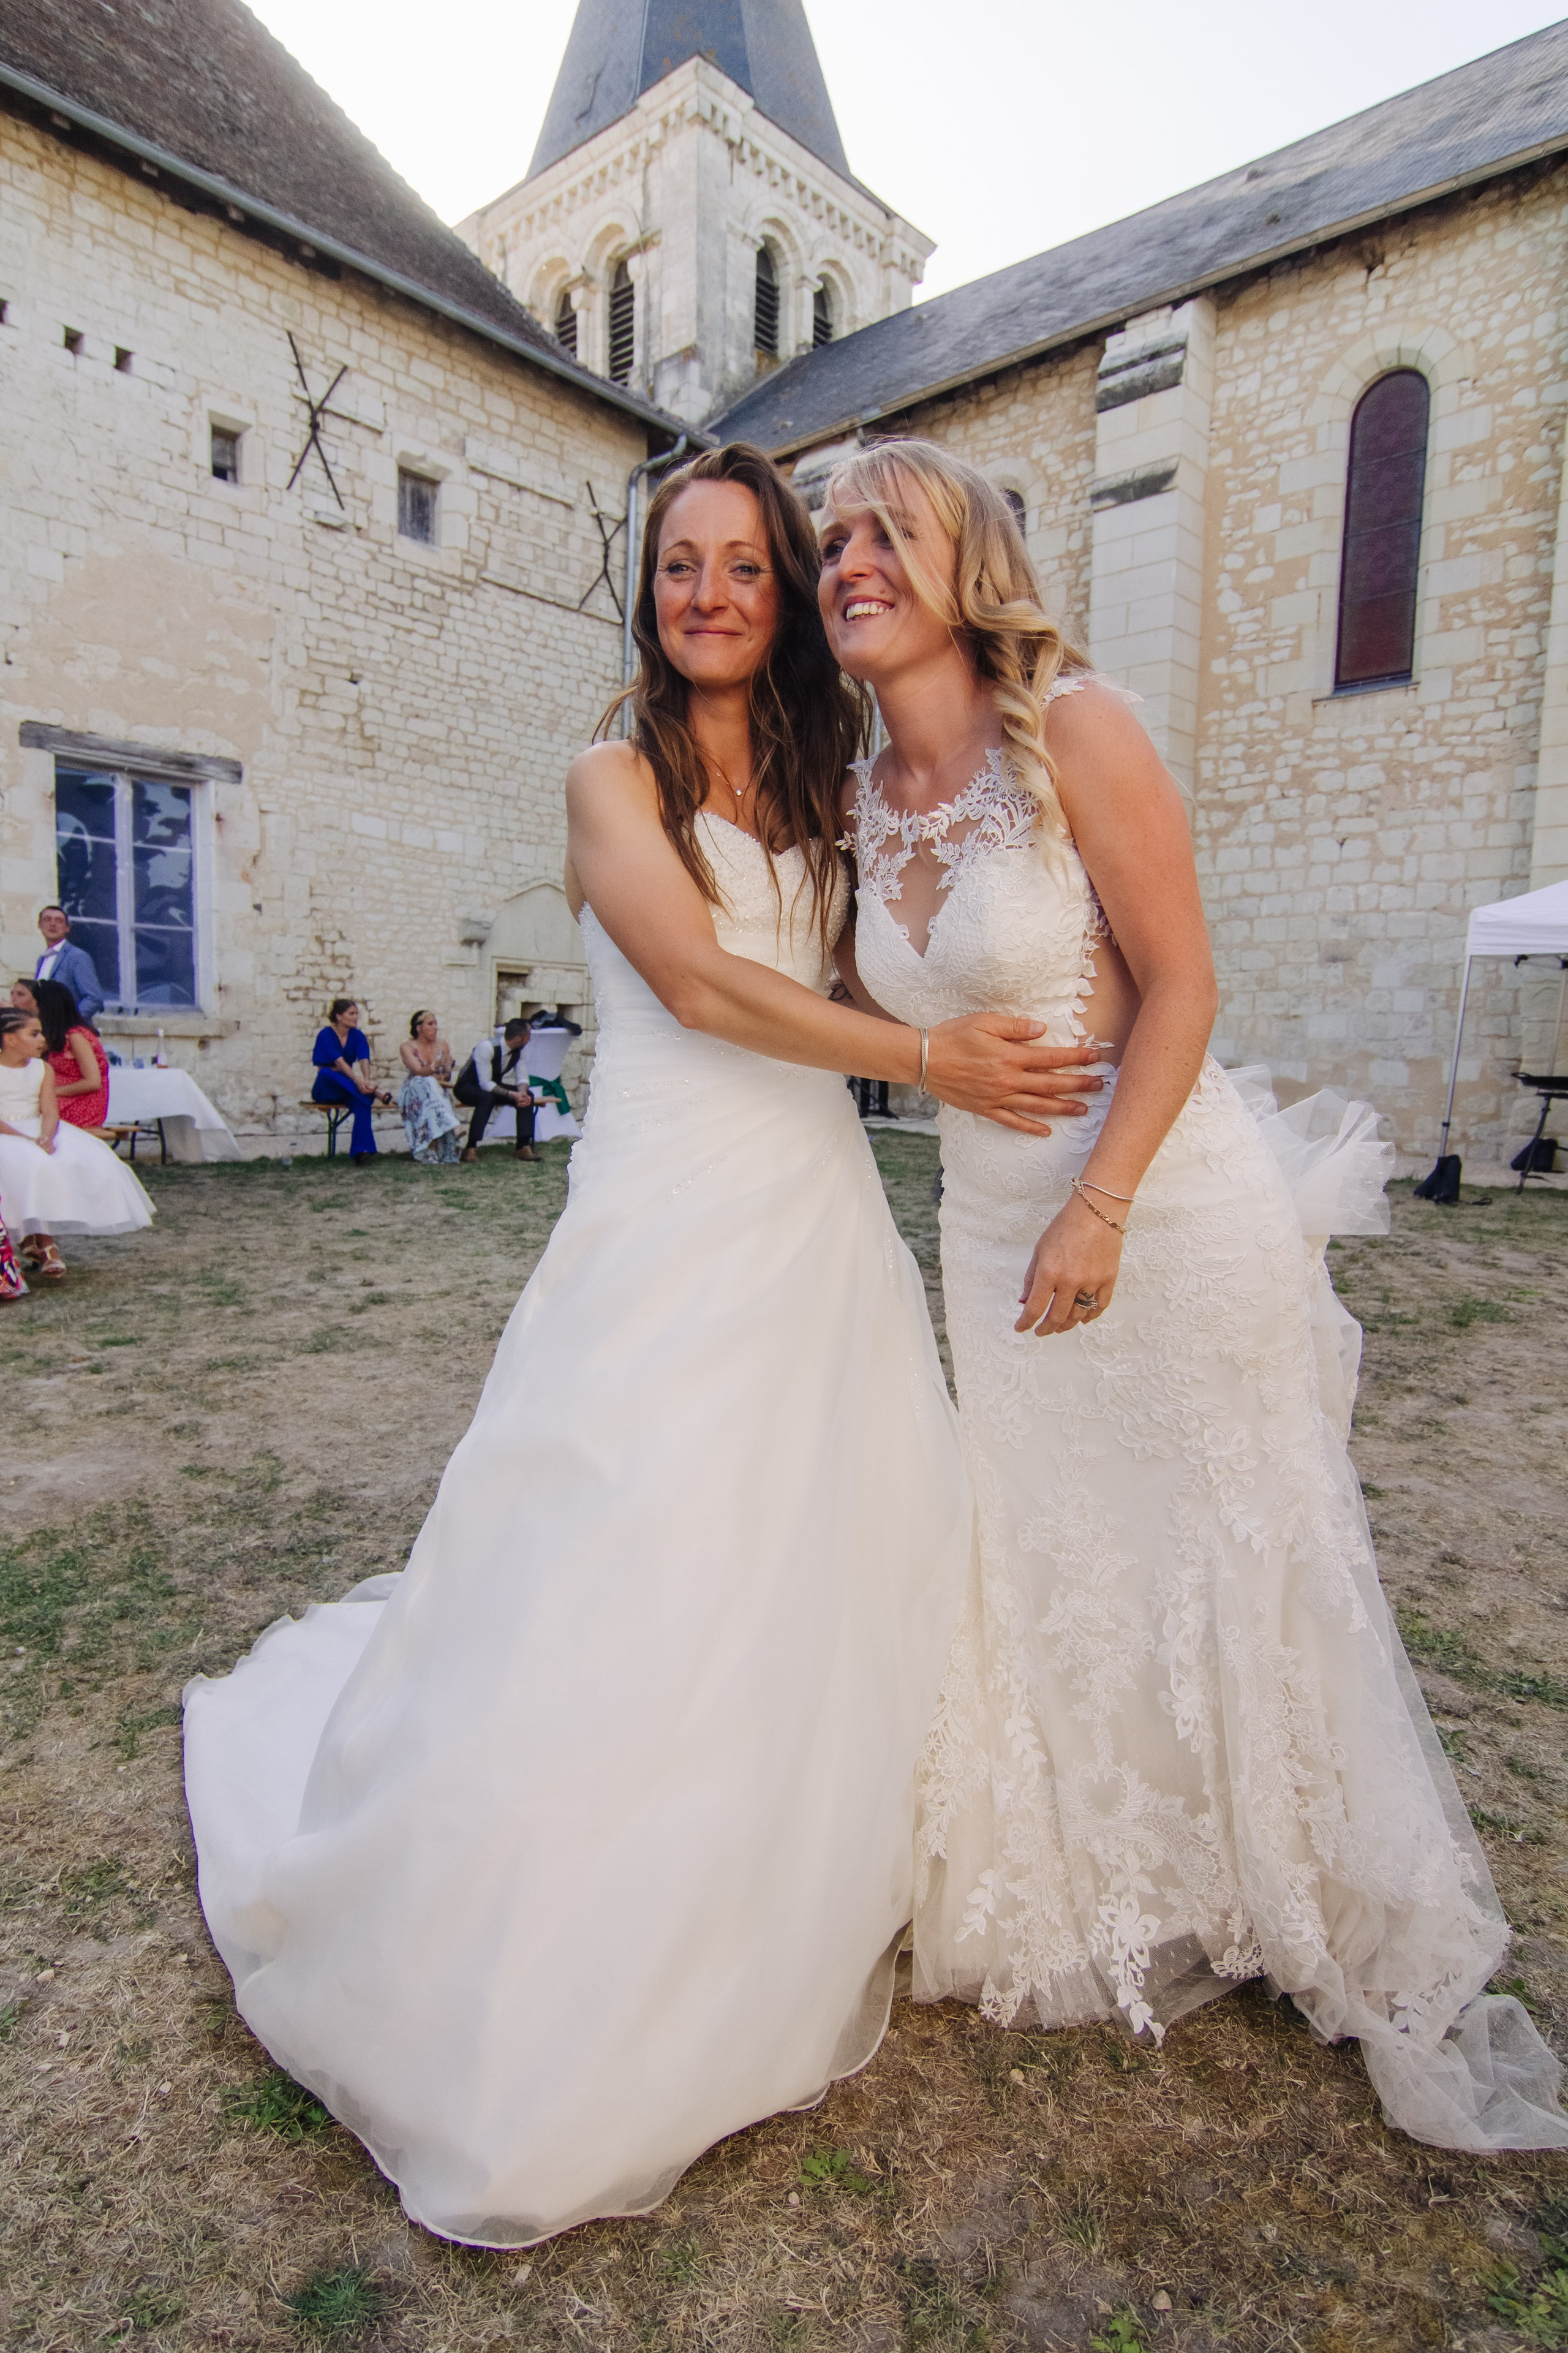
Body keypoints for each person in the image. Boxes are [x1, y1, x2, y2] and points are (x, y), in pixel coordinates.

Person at [183, 441, 1102, 2249]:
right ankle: (562, 1919)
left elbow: (878, 960)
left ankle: (780, 1862)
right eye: (679, 562)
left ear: (783, 593)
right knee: (631, 1542)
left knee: (816, 1544)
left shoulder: (829, 782)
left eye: (743, 564)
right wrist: (929, 1063)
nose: (709, 592)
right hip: (666, 1213)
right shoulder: (608, 777)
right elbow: (695, 981)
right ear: (647, 589)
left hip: (815, 1218)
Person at [821, 436, 1568, 2155]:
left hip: (1153, 1198)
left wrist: (1100, 1204)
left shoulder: (1071, 725)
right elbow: (861, 1010)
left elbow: (1183, 983)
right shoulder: (858, 798)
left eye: (885, 532)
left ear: (968, 560)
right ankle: (1125, 1862)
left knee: (1226, 1542)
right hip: (984, 1224)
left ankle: (1292, 1876)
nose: (848, 558)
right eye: (834, 538)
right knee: (1055, 1551)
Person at [0, 1007, 153, 1278]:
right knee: (30, 1162)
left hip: (37, 1126)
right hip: (7, 1132)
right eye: (34, 1034)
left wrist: (46, 1136)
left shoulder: (43, 1069)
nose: (43, 1039)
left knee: (63, 1160)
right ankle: (38, 1242)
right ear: (10, 1039)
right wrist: (26, 1139)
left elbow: (50, 1110)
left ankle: (42, 1240)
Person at [12, 978, 111, 1131]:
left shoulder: (76, 1036)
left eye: (36, 1006)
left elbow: (93, 1082)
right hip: (60, 1097)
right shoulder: (58, 1036)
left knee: (24, 1110)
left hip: (81, 1103)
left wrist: (52, 1092)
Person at [310, 999, 391, 1161]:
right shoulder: (326, 1034)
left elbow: (364, 1058)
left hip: (348, 1088)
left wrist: (366, 1081)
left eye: (356, 1014)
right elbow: (339, 1061)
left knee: (363, 1101)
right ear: (339, 1016)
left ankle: (361, 1152)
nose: (356, 1017)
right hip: (327, 1087)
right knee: (327, 1073)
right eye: (351, 1014)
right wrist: (359, 1082)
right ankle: (375, 1093)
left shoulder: (357, 1035)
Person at [454, 1018, 541, 1163]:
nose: (530, 1040)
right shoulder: (487, 1047)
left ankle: (523, 1146)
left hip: (492, 1087)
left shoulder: (519, 1051)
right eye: (529, 1036)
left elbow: (522, 1077)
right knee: (486, 1098)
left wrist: (522, 1093)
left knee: (528, 1096)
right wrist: (512, 1094)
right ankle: (471, 1148)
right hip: (467, 1087)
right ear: (519, 1039)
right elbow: (485, 1084)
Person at [397, 1010, 461, 1165]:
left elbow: (446, 1078)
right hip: (414, 1091)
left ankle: (431, 1149)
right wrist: (435, 1065)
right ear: (419, 1028)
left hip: (436, 1092)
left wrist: (447, 1067)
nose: (435, 1027)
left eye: (436, 1023)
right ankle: (453, 1125)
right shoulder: (407, 1047)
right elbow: (418, 1072)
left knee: (431, 1090)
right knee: (427, 1082)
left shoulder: (442, 1045)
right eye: (430, 1024)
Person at [33, 905, 104, 1022]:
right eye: (47, 920)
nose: (53, 924)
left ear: (67, 928)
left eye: (59, 921)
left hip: (68, 1029)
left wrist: (70, 1023)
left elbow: (93, 999)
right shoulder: (42, 959)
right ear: (39, 925)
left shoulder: (77, 956)